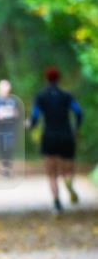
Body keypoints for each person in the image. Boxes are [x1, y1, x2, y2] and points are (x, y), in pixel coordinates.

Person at [27, 66, 83, 213]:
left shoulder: (41, 97)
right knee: (68, 168)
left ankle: (57, 203)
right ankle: (69, 183)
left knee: (51, 173)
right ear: (59, 79)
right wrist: (76, 128)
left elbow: (35, 116)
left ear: (46, 79)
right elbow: (78, 112)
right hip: (66, 135)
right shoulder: (67, 95)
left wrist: (30, 125)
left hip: (49, 136)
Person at [0, 79, 21, 178]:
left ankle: (8, 169)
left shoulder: (13, 101)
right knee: (1, 149)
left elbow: (18, 115)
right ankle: (4, 170)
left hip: (10, 129)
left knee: (9, 148)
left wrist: (15, 115)